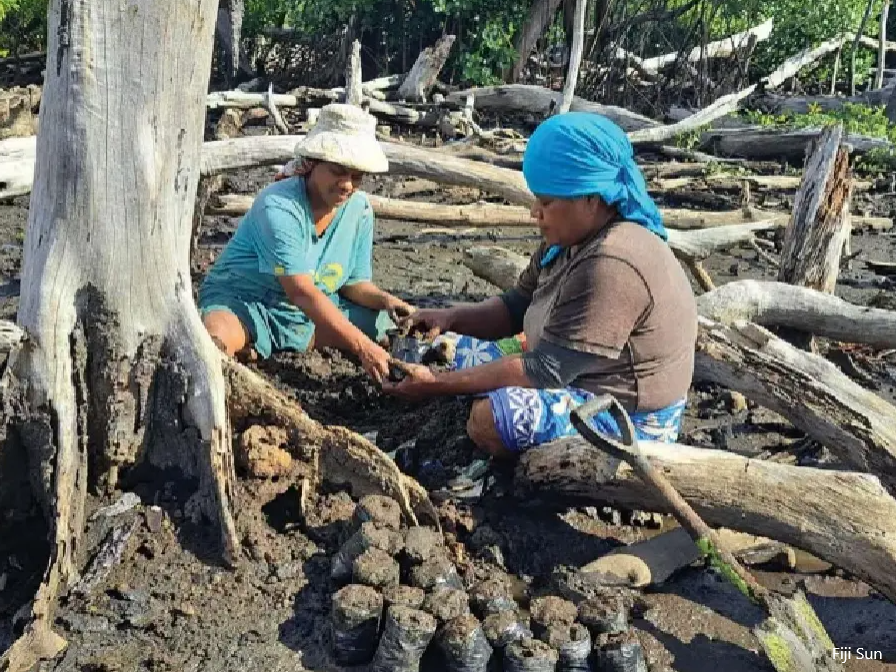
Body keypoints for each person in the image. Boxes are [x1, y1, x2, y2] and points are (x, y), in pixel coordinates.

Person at [384, 112, 698, 458]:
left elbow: (545, 370)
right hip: (564, 373)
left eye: (547, 202)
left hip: (623, 416)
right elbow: (515, 306)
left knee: (491, 418)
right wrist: (449, 318)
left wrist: (436, 386)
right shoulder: (566, 241)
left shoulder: (612, 263)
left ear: (591, 199)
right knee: (440, 347)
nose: (535, 212)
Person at [198, 103, 412, 383]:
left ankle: (266, 348)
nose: (347, 184)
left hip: (306, 315)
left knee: (391, 326)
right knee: (218, 337)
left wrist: (387, 301)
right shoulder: (278, 206)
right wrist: (363, 348)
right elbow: (301, 292)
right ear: (312, 164)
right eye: (338, 171)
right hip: (250, 300)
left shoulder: (359, 211)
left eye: (356, 177)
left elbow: (353, 283)